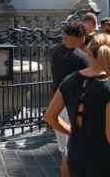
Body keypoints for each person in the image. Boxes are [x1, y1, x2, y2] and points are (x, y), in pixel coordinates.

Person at [45, 33, 110, 177]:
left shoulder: (70, 80)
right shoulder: (107, 86)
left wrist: (72, 131)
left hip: (76, 153)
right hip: (102, 158)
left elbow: (49, 116)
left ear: (88, 51)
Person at [49, 22, 89, 177]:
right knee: (70, 150)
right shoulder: (82, 58)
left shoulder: (55, 51)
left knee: (64, 149)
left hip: (56, 104)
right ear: (80, 38)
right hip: (72, 107)